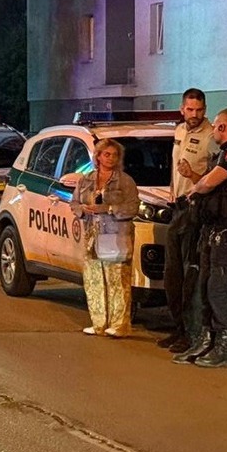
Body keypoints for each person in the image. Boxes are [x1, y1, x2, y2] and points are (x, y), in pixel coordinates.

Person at [173, 108, 227, 368]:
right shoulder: (226, 152)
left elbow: (209, 182)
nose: (212, 130)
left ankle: (224, 344)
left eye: (215, 126)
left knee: (218, 286)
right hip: (216, 228)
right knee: (205, 284)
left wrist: (193, 192)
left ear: (223, 127)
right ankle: (206, 339)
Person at [158, 88, 220, 353]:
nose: (195, 114)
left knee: (189, 274)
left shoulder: (211, 137)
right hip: (178, 207)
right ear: (182, 109)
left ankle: (191, 334)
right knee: (172, 273)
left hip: (196, 209)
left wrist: (193, 174)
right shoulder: (179, 131)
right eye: (190, 109)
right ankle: (178, 328)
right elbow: (175, 171)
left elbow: (213, 180)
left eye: (199, 110)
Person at [71, 139, 141, 337]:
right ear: (98, 157)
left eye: (114, 155)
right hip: (92, 235)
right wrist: (82, 209)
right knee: (94, 280)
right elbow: (74, 202)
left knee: (117, 280)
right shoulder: (86, 180)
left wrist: (108, 209)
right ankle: (99, 324)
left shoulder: (125, 181)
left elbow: (132, 207)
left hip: (115, 235)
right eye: (106, 154)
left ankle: (120, 325)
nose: (110, 158)